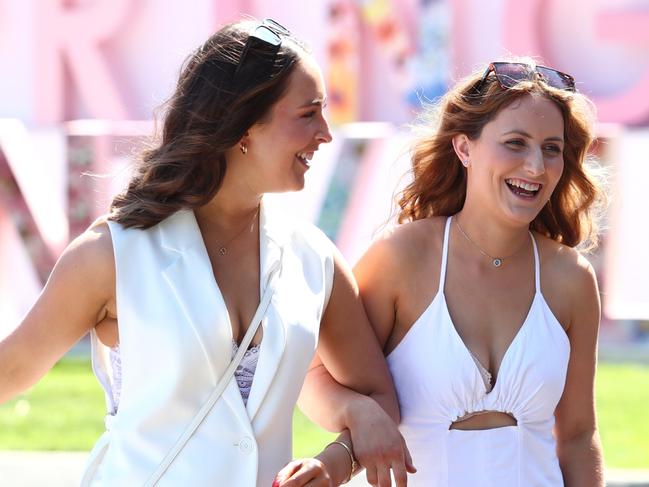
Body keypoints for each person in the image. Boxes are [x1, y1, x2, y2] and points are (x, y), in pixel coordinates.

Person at [0, 19, 412, 487]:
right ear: (243, 126)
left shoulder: (314, 258)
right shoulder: (112, 255)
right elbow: (10, 369)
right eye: (307, 113)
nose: (325, 133)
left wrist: (336, 461)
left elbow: (378, 396)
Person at [351, 59, 607, 486]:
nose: (536, 167)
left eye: (551, 148)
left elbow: (579, 436)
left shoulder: (572, 279)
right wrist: (353, 419)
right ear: (464, 148)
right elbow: (319, 375)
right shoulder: (400, 259)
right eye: (515, 143)